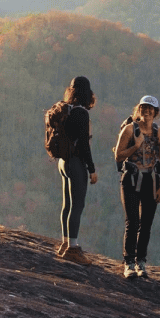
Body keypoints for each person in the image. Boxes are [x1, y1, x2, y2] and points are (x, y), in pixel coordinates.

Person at [113, 95, 160, 279]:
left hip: (150, 180)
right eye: (144, 108)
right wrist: (135, 146)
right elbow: (118, 156)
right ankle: (129, 262)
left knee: (146, 224)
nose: (147, 111)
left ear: (156, 112)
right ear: (139, 109)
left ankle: (141, 262)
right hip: (131, 178)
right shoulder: (130, 129)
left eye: (150, 109)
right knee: (132, 222)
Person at [54, 76, 99, 264]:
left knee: (67, 204)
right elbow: (84, 145)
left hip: (63, 162)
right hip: (76, 163)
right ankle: (73, 248)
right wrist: (92, 169)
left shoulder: (66, 109)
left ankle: (65, 243)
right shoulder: (82, 113)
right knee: (77, 205)